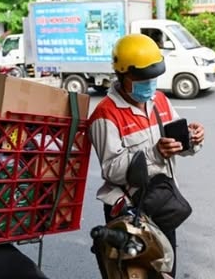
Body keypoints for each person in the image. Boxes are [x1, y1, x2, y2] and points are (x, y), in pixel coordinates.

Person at [89, 34, 205, 278]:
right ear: (122, 75)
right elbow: (111, 169)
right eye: (142, 78)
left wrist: (191, 140)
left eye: (153, 77)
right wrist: (155, 153)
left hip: (161, 203)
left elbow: (177, 143)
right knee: (132, 274)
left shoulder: (159, 100)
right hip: (128, 210)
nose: (149, 83)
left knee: (165, 271)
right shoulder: (105, 114)